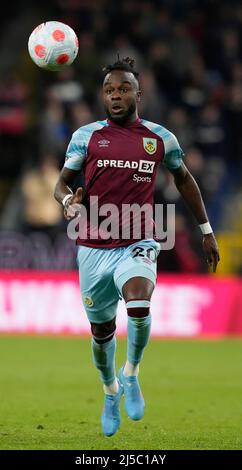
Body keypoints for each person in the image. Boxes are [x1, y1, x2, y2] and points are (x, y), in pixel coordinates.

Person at [54, 57, 220, 437]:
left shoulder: (160, 138)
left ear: (138, 94)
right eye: (110, 90)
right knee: (101, 334)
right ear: (103, 96)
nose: (115, 96)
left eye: (123, 89)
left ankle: (131, 372)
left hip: (139, 240)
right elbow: (61, 183)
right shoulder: (86, 136)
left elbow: (184, 179)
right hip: (93, 246)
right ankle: (110, 389)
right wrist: (68, 203)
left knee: (140, 304)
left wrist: (206, 230)